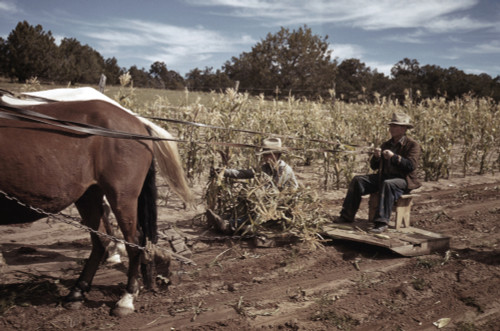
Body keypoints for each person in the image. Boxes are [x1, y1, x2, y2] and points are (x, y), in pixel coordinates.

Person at [335, 112, 421, 233]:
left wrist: (394, 157)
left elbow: (410, 166)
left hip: (403, 180)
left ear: (403, 128)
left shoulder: (412, 145)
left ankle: (381, 222)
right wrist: (376, 157)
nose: (391, 129)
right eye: (391, 126)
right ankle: (346, 216)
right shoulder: (386, 144)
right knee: (358, 180)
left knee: (388, 184)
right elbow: (374, 166)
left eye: (395, 126)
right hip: (385, 177)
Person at [206, 137, 299, 234]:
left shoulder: (284, 170)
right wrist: (224, 171)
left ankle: (229, 226)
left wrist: (256, 195)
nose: (266, 157)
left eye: (268, 155)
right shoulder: (266, 167)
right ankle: (226, 221)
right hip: (268, 203)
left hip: (282, 205)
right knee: (245, 208)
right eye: (265, 155)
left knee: (257, 220)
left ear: (277, 155)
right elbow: (245, 173)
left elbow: (274, 192)